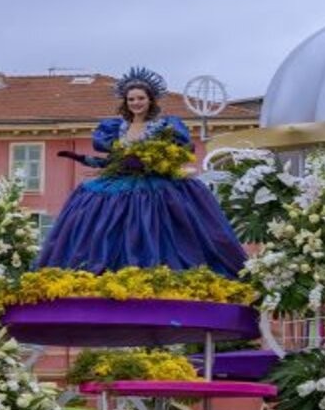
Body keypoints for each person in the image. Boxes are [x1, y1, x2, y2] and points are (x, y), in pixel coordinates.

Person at [38, 66, 247, 275]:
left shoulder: (165, 126)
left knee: (160, 227)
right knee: (93, 205)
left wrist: (152, 161)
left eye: (140, 98)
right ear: (125, 102)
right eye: (131, 99)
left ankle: (161, 271)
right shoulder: (115, 128)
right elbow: (112, 161)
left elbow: (178, 153)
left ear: (150, 100)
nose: (136, 103)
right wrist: (82, 158)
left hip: (157, 182)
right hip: (121, 180)